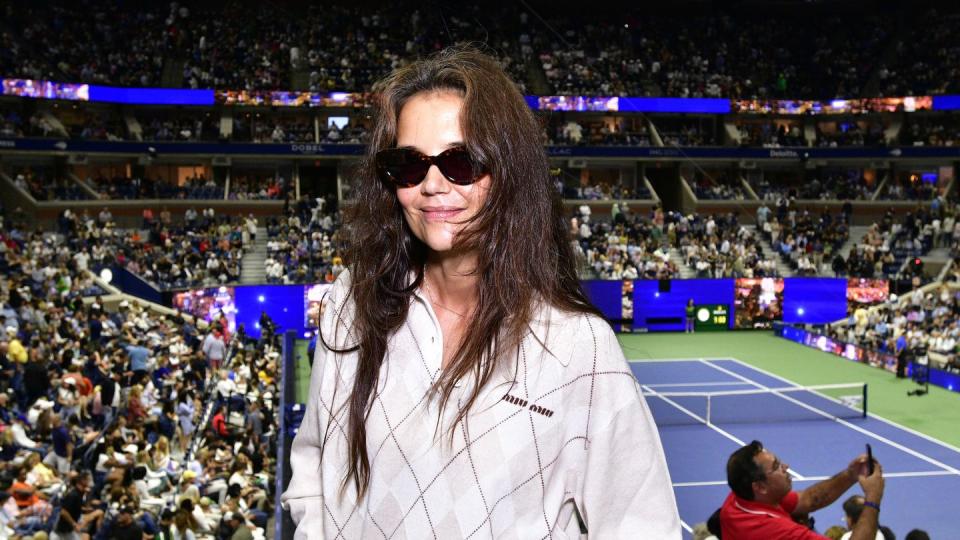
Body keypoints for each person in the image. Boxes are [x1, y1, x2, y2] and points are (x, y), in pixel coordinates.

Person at [282, 46, 679, 538]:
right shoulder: (350, 302)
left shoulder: (580, 346)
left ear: (509, 171)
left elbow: (640, 524)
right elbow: (315, 460)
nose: (431, 184)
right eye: (408, 164)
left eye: (461, 161)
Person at [720, 440, 884, 540]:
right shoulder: (778, 532)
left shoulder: (740, 497)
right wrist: (873, 497)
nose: (786, 467)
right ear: (760, 487)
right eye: (777, 467)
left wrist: (851, 474)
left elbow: (807, 499)